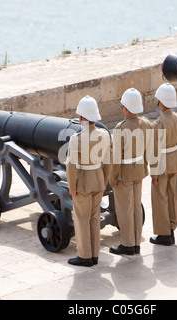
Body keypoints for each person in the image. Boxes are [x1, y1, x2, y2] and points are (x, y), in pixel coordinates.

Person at [66, 96, 111, 267]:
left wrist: (72, 186)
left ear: (83, 118)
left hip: (83, 182)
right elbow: (108, 160)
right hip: (98, 180)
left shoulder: (76, 138)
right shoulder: (104, 135)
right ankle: (94, 255)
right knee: (94, 218)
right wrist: (104, 179)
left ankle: (85, 256)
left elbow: (71, 165)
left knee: (82, 219)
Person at [109, 88, 153, 255]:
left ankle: (127, 244)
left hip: (125, 174)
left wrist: (112, 178)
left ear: (126, 108)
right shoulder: (146, 124)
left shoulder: (121, 128)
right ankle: (135, 243)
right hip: (139, 170)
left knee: (124, 210)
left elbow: (116, 158)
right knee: (135, 207)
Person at [149, 83, 177, 246]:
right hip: (175, 161)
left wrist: (154, 174)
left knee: (160, 199)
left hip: (162, 165)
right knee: (173, 197)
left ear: (162, 102)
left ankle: (164, 234)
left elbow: (154, 151)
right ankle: (171, 228)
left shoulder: (158, 124)